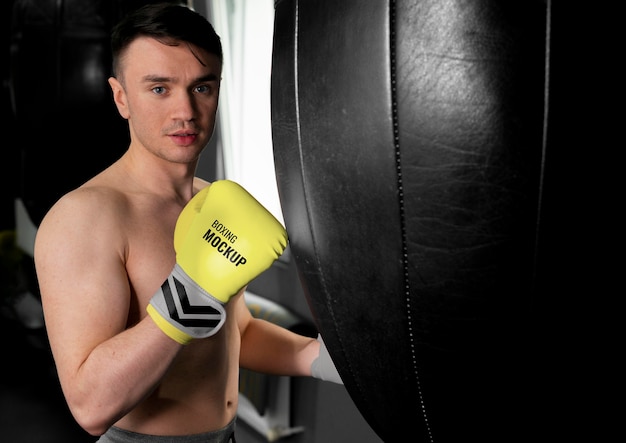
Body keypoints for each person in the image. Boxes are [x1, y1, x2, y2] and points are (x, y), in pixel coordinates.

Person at [33, 3, 342, 442]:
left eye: (201, 87)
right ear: (122, 97)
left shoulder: (208, 201)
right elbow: (90, 405)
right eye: (159, 89)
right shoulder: (85, 218)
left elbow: (236, 331)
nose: (186, 111)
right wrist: (186, 296)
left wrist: (319, 359)